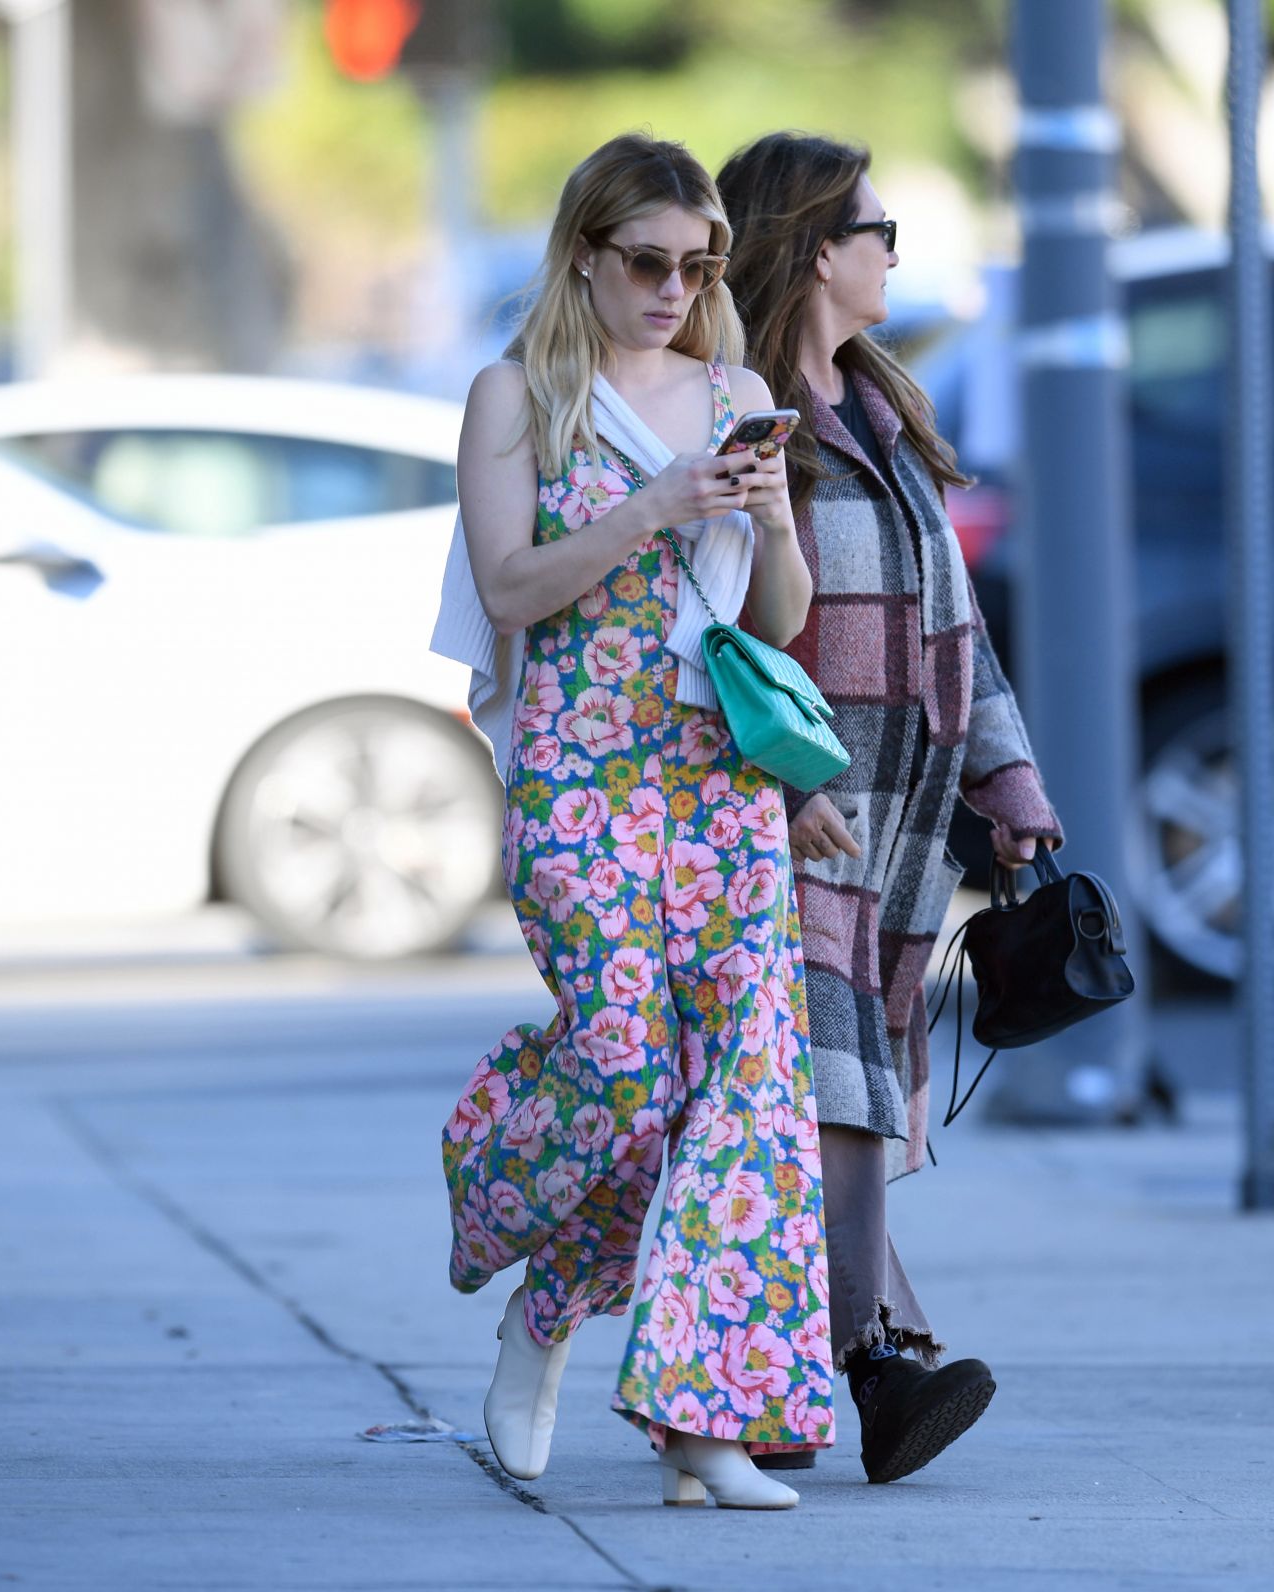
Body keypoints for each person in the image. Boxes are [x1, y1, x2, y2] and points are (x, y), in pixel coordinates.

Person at [432, 133, 836, 1511]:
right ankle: (540, 1292)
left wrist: (774, 525)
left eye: (701, 264)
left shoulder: (737, 391)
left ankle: (705, 1421)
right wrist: (656, 504)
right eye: (651, 263)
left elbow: (777, 623)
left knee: (750, 1093)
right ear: (587, 256)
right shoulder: (518, 393)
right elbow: (508, 589)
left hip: (716, 778)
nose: (678, 287)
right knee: (620, 1064)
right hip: (581, 776)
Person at [716, 132, 1063, 1485]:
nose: (891, 251)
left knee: (827, 1101)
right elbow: (714, 626)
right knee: (837, 1091)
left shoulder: (879, 402)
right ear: (815, 248)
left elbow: (952, 620)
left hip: (904, 835)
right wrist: (781, 785)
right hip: (794, 821)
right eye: (878, 229)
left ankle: (789, 1375)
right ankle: (873, 1364)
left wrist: (1010, 778)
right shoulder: (742, 416)